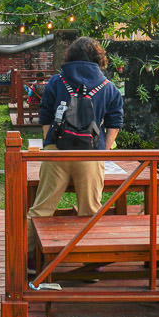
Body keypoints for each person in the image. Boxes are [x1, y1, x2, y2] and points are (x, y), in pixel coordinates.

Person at [28, 37, 123, 252]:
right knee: (89, 211)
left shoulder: (57, 81)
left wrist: (49, 144)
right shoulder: (108, 88)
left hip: (56, 153)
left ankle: (30, 259)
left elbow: (45, 117)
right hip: (90, 155)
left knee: (42, 208)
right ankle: (90, 264)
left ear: (70, 56)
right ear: (98, 58)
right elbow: (114, 124)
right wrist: (103, 153)